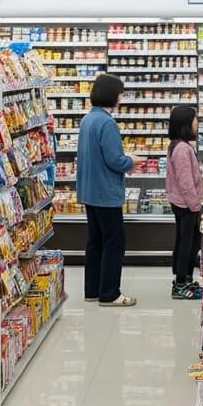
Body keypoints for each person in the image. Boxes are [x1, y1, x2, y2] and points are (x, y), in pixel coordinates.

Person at [76, 74, 144, 307]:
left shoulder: (88, 119)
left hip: (89, 191)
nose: (121, 98)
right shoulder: (107, 123)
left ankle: (92, 290)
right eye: (120, 93)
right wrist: (131, 161)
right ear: (112, 94)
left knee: (95, 241)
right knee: (114, 241)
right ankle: (110, 293)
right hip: (105, 193)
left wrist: (124, 162)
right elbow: (114, 160)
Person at [166, 105, 203, 300]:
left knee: (185, 241)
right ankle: (181, 283)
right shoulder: (182, 149)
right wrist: (196, 205)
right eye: (194, 119)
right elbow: (185, 181)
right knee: (187, 244)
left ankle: (184, 278)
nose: (197, 122)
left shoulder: (178, 145)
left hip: (182, 203)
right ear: (185, 124)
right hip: (186, 204)